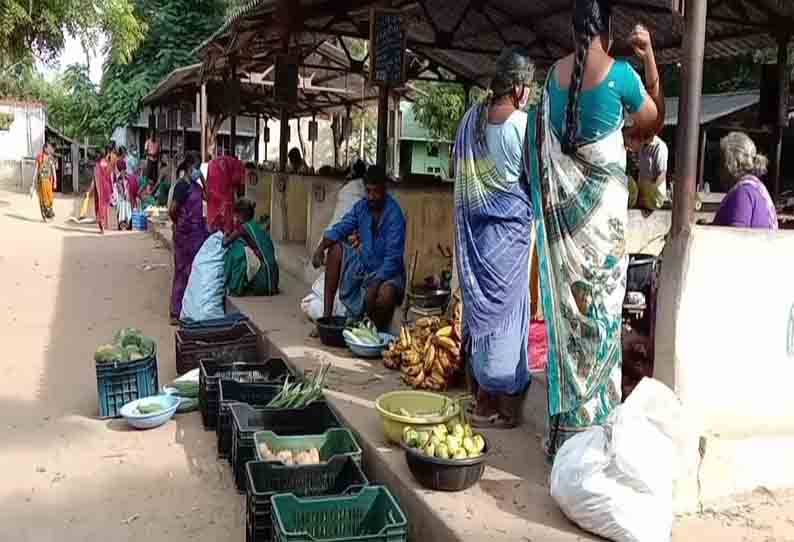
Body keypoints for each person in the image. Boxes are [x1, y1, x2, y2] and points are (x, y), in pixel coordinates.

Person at [525, 0, 664, 458]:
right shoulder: (621, 75)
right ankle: (592, 442)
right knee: (602, 324)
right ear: (608, 28)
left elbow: (538, 153)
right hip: (602, 239)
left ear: (570, 28)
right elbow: (652, 121)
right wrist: (648, 56)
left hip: (565, 239)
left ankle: (564, 438)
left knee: (566, 326)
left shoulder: (550, 80)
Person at [452, 47, 535, 429]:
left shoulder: (470, 121)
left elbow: (462, 175)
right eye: (529, 86)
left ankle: (483, 401)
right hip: (510, 239)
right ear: (518, 88)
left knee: (481, 316)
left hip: (476, 239)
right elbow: (534, 182)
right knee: (508, 316)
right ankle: (504, 406)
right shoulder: (521, 127)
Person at [312, 165, 406, 330]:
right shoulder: (361, 207)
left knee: (385, 295)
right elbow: (340, 228)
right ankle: (326, 320)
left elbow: (393, 259)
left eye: (376, 192)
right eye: (368, 191)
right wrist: (320, 248)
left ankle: (371, 332)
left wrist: (375, 283)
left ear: (385, 189)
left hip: (388, 273)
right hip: (364, 264)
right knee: (335, 250)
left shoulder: (395, 215)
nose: (371, 196)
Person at [169, 153, 209, 324]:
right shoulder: (181, 186)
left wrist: (203, 180)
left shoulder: (196, 186)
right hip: (184, 235)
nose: (198, 170)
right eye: (197, 167)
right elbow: (173, 209)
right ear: (189, 166)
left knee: (194, 272)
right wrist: (178, 224)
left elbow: (208, 197)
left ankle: (189, 310)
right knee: (181, 272)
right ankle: (175, 312)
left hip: (197, 234)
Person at [712, 131, 778, 229]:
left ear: (733, 163)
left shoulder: (743, 193)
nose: (718, 170)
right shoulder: (755, 188)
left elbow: (736, 237)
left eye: (721, 162)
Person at [223, 199, 279, 296]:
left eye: (236, 216)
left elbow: (225, 243)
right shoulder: (256, 225)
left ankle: (234, 288)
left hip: (264, 277)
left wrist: (225, 233)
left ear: (240, 216)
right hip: (273, 275)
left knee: (236, 252)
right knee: (241, 246)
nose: (235, 219)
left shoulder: (244, 228)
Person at [627, 133, 668, 210]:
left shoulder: (660, 147)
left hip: (654, 196)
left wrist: (650, 192)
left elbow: (662, 174)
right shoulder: (642, 145)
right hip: (642, 194)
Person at [206, 154, 246, 233]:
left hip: (213, 205)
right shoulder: (238, 164)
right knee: (227, 232)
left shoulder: (211, 163)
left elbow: (207, 185)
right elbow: (241, 190)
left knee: (213, 232)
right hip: (227, 205)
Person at [91, 145, 114, 234]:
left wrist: (91, 189)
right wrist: (111, 190)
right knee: (104, 207)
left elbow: (95, 178)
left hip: (99, 188)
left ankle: (102, 227)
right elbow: (110, 178)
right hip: (106, 188)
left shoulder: (97, 165)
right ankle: (103, 226)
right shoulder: (108, 164)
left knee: (99, 207)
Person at [32, 143, 57, 221]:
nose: (49, 150)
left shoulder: (50, 158)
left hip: (48, 181)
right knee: (42, 199)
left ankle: (50, 214)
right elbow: (36, 170)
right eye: (48, 148)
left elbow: (53, 170)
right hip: (41, 182)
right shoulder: (39, 157)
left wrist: (55, 181)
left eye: (50, 148)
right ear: (44, 148)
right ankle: (45, 216)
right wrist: (33, 183)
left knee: (50, 199)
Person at [114, 158, 133, 229]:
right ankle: (129, 225)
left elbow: (119, 185)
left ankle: (120, 225)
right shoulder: (127, 175)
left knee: (120, 210)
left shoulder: (118, 176)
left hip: (121, 195)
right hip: (126, 194)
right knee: (128, 210)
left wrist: (122, 192)